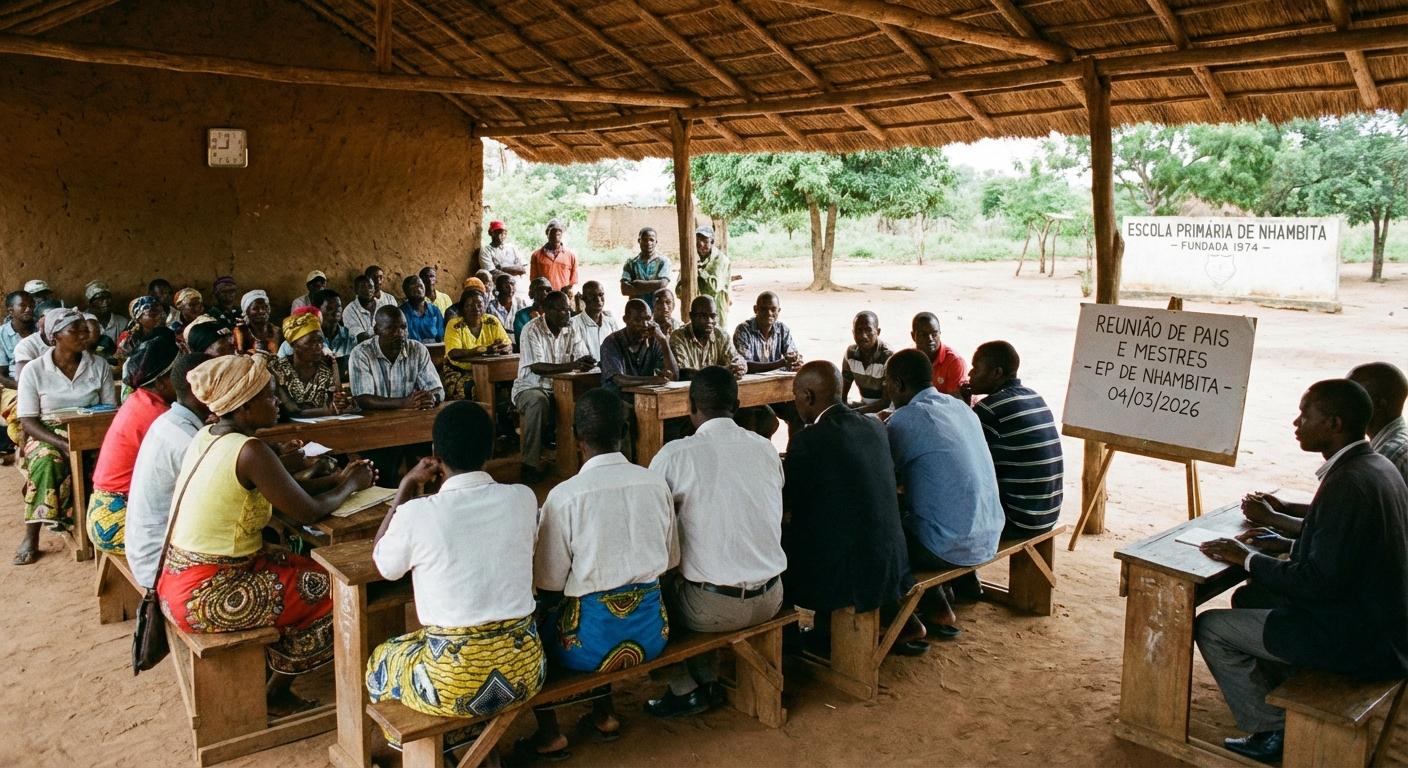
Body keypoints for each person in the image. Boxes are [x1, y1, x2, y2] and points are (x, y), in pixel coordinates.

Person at [1196, 379, 1408, 763]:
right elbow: (1350, 554)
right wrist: (1288, 544)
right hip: (1384, 624)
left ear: (1334, 424)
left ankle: (1270, 730)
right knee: (1250, 597)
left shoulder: (1348, 482)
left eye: (1305, 415)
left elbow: (1317, 582)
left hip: (1358, 639)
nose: (1296, 423)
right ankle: (1283, 704)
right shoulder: (1377, 466)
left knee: (1211, 628)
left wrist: (1245, 558)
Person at [159, 354, 376, 713]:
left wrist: (339, 480)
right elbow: (305, 510)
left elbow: (285, 490)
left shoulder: (209, 435)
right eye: (269, 396)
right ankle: (275, 688)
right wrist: (350, 483)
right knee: (341, 587)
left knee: (302, 565)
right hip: (207, 592)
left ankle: (274, 665)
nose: (276, 403)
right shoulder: (250, 450)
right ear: (243, 407)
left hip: (182, 575)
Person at [366, 402, 544, 730]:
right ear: (491, 448)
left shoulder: (419, 512)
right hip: (526, 670)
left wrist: (406, 486)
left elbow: (384, 564)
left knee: (382, 659)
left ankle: (445, 749)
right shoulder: (523, 498)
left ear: (435, 453)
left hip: (452, 684)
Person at [524, 389, 676, 758]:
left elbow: (548, 582)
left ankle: (550, 732)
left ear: (576, 437)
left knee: (534, 623)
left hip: (587, 647)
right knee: (593, 600)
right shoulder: (655, 483)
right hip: (653, 632)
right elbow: (671, 561)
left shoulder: (565, 495)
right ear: (625, 431)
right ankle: (603, 713)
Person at [646, 367, 786, 717]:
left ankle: (684, 687)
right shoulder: (766, 450)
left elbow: (649, 523)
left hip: (711, 608)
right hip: (772, 596)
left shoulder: (675, 455)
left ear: (690, 405)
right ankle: (706, 677)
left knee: (646, 599)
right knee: (705, 560)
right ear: (737, 406)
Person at [783, 361, 914, 653]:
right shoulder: (874, 426)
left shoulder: (808, 441)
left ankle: (790, 645)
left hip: (850, 575)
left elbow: (791, 502)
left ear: (807, 396)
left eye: (795, 396)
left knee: (778, 548)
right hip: (894, 563)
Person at [884, 349, 1003, 638]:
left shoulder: (905, 419)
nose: (885, 389)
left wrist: (882, 425)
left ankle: (898, 617)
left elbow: (881, 476)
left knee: (877, 528)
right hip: (989, 535)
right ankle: (939, 604)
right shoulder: (960, 407)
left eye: (887, 383)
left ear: (899, 384)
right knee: (923, 507)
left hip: (948, 547)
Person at [12, 309, 116, 565]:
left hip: (91, 429)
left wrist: (89, 438)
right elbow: (27, 420)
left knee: (109, 462)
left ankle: (99, 523)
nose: (84, 334)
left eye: (85, 329)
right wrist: (61, 442)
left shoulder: (98, 365)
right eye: (75, 330)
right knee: (48, 462)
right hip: (47, 431)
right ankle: (32, 533)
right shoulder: (34, 370)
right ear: (55, 336)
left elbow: (109, 411)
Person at [86, 332, 178, 553]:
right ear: (161, 382)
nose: (188, 379)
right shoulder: (157, 415)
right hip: (118, 518)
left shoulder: (142, 400)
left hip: (108, 511)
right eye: (179, 374)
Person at [124, 352, 210, 588]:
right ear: (197, 390)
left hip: (148, 550)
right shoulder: (186, 440)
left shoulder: (171, 421)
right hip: (162, 565)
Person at [962, 341, 1064, 538]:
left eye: (976, 367)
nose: (970, 374)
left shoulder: (990, 408)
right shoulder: (1034, 397)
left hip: (1018, 519)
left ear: (997, 373)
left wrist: (967, 409)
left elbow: (966, 457)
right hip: (1048, 514)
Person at [511, 291, 593, 482]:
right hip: (531, 386)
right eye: (562, 310)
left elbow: (580, 355)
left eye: (569, 309)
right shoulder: (531, 330)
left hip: (563, 388)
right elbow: (537, 367)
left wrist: (585, 362)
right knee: (537, 402)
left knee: (589, 400)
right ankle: (529, 465)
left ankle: (582, 461)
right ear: (547, 311)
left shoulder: (572, 327)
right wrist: (573, 365)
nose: (568, 314)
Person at [732, 291, 803, 438]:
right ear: (755, 309)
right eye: (763, 309)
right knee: (765, 419)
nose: (769, 313)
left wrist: (796, 362)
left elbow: (792, 356)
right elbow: (746, 367)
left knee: (799, 411)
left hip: (777, 391)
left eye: (773, 309)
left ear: (779, 311)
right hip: (752, 394)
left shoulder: (782, 330)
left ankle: (793, 455)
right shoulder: (744, 330)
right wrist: (782, 362)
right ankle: (762, 455)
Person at [349, 306, 443, 413]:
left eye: (403, 327)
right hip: (374, 420)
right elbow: (362, 399)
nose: (400, 334)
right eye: (391, 328)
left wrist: (432, 398)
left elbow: (437, 389)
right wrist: (404, 403)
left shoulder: (418, 350)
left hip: (410, 417)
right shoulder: (361, 353)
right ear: (377, 330)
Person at [271, 308, 352, 418]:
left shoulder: (326, 367)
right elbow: (290, 410)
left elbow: (337, 399)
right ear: (293, 345)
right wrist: (329, 410)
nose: (319, 346)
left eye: (320, 340)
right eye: (311, 342)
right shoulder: (277, 369)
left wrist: (340, 403)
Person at [442, 280, 512, 401]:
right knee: (476, 388)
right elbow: (453, 353)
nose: (475, 308)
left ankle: (501, 418)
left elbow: (508, 345)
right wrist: (481, 350)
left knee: (509, 386)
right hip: (460, 372)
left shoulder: (492, 321)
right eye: (469, 305)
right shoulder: (455, 324)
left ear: (485, 306)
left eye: (479, 304)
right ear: (463, 308)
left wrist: (505, 348)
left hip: (491, 370)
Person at [599, 299, 678, 398]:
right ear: (626, 319)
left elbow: (674, 376)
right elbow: (619, 379)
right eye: (637, 320)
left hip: (643, 400)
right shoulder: (612, 342)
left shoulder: (654, 340)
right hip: (616, 402)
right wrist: (654, 380)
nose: (645, 324)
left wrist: (664, 341)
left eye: (648, 319)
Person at [1348, 361, 1408, 483]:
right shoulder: (1397, 445)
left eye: (1351, 398)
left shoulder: (1386, 460)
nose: (1341, 405)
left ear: (1379, 405)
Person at [669, 296, 745, 381]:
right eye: (703, 316)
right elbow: (682, 373)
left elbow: (736, 359)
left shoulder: (720, 335)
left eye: (713, 316)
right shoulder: (678, 337)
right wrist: (721, 373)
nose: (709, 321)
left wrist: (738, 367)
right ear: (692, 316)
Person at [0, 291, 37, 459]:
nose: (28, 309)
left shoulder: (40, 330)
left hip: (41, 381)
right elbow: (1, 375)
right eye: (22, 305)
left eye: (31, 305)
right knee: (21, 407)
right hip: (12, 384)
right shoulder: (1, 335)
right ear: (10, 310)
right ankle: (26, 450)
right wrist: (25, 387)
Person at [278, 289, 356, 363]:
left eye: (339, 306)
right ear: (317, 309)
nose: (336, 311)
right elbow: (279, 370)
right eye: (330, 308)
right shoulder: (294, 343)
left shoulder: (350, 338)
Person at [677, 226, 730, 328]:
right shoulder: (691, 258)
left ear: (712, 241)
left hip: (715, 308)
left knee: (717, 337)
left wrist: (699, 271)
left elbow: (714, 288)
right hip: (696, 310)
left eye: (705, 241)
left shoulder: (721, 260)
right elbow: (679, 290)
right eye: (697, 240)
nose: (701, 244)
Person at [842, 311, 894, 414]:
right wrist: (842, 408)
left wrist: (854, 413)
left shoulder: (887, 356)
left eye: (868, 330)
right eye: (859, 330)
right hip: (864, 406)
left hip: (886, 411)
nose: (863, 336)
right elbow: (842, 394)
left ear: (878, 332)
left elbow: (886, 402)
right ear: (853, 333)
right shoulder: (850, 354)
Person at [911, 312, 966, 398]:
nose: (930, 339)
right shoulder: (910, 358)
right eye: (923, 335)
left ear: (940, 333)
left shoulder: (954, 361)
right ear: (913, 336)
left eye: (934, 334)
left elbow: (954, 402)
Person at [620, 227, 672, 313]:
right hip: (637, 311)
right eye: (644, 239)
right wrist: (654, 286)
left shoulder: (663, 261)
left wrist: (638, 284)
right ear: (639, 241)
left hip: (657, 310)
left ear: (656, 242)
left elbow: (663, 284)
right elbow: (624, 289)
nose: (648, 243)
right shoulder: (631, 263)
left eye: (651, 240)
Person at [570, 280, 622, 360]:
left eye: (601, 295)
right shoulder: (573, 324)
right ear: (583, 298)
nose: (598, 299)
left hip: (610, 371)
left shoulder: (611, 322)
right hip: (585, 372)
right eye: (592, 295)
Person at [529, 219, 579, 301]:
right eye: (552, 231)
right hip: (544, 298)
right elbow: (534, 280)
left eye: (559, 231)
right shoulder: (536, 255)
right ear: (546, 233)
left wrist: (566, 292)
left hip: (563, 299)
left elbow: (573, 280)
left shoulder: (571, 255)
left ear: (562, 234)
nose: (556, 233)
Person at [116, 296, 167, 360]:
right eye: (152, 315)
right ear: (139, 319)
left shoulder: (170, 332)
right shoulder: (129, 340)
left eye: (161, 313)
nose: (159, 317)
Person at [399, 275, 444, 344]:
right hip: (412, 351)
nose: (418, 290)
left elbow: (441, 335)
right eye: (413, 287)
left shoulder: (434, 311)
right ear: (406, 292)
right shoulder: (402, 312)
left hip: (435, 350)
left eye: (420, 286)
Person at [234, 289, 281, 355]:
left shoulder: (277, 331)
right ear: (246, 312)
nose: (262, 311)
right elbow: (238, 356)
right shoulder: (241, 332)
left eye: (265, 307)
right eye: (255, 308)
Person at [479, 220, 527, 284]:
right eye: (498, 233)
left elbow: (523, 269)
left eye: (504, 233)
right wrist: (514, 271)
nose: (501, 236)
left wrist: (502, 268)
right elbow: (492, 272)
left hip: (517, 287)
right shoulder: (486, 250)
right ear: (491, 233)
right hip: (497, 288)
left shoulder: (512, 248)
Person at [513, 277, 553, 350]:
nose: (544, 293)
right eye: (540, 289)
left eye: (548, 290)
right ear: (531, 294)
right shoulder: (521, 315)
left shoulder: (556, 314)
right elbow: (522, 343)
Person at [343, 275, 379, 342]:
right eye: (362, 287)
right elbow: (360, 338)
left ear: (374, 289)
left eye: (370, 287)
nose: (367, 290)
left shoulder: (383, 305)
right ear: (356, 291)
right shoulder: (349, 311)